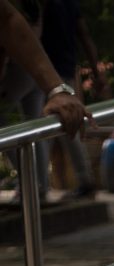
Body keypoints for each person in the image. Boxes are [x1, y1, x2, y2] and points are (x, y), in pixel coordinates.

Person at [0, 0, 87, 203]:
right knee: (37, 126)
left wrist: (56, 88)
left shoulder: (54, 6)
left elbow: (7, 19)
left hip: (35, 69)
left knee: (33, 125)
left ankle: (34, 185)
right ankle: (37, 186)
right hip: (42, 71)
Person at [41, 0, 107, 198]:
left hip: (48, 72)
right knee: (62, 125)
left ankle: (39, 184)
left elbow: (84, 35)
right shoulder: (70, 5)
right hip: (61, 69)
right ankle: (80, 179)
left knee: (51, 126)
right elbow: (85, 36)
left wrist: (97, 72)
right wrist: (97, 72)